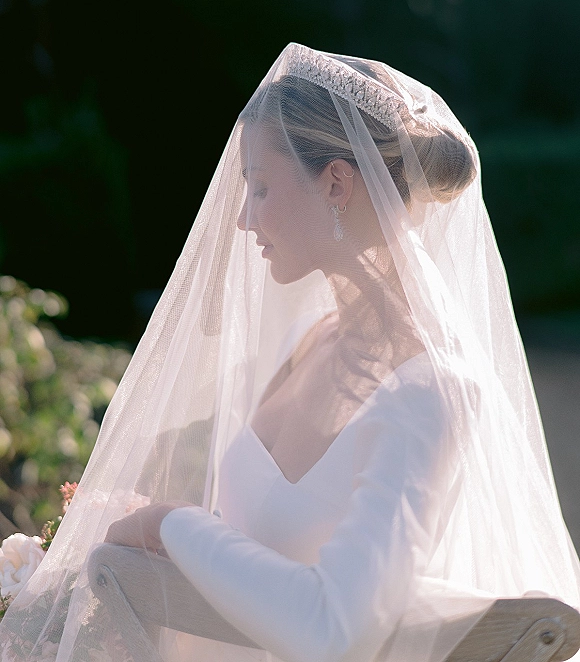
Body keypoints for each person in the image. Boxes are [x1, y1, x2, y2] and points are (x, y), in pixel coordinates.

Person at [1, 42, 580, 662]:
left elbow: (333, 630)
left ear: (336, 181)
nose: (244, 218)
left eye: (260, 187)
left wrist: (171, 523)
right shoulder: (312, 341)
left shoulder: (428, 390)